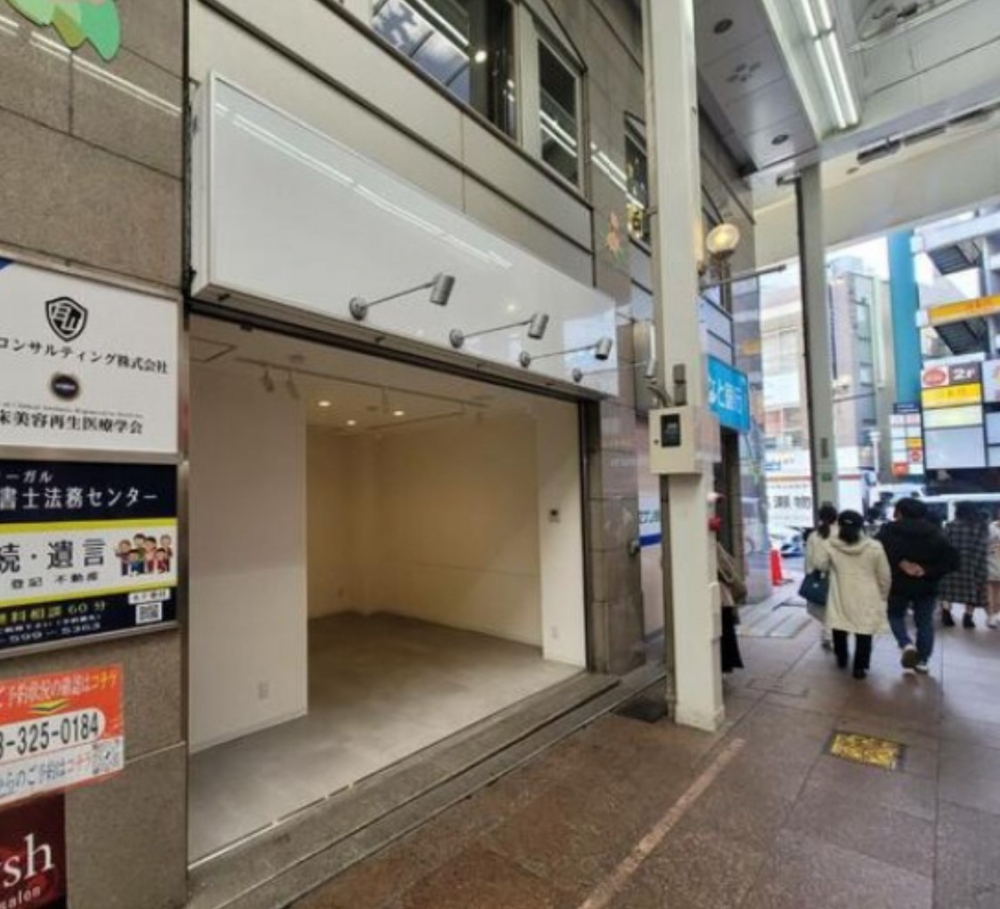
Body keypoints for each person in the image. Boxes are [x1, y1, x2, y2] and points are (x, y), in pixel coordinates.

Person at [877, 497, 959, 674]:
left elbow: (876, 554)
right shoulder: (935, 533)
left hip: (897, 584)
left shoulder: (888, 531)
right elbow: (952, 561)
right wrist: (926, 570)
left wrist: (900, 562)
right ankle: (922, 660)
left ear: (899, 512)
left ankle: (906, 644)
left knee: (895, 615)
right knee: (924, 622)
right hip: (926, 585)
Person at [810, 510, 891, 679]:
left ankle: (842, 658)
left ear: (839, 525)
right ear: (861, 526)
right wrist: (883, 594)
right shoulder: (874, 546)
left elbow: (819, 564)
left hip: (840, 591)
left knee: (840, 625)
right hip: (868, 594)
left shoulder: (830, 544)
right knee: (864, 630)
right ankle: (860, 667)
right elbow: (884, 576)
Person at [939, 502, 988, 629]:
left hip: (951, 564)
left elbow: (943, 545)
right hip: (972, 564)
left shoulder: (950, 526)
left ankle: (946, 614)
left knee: (947, 590)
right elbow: (982, 547)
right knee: (973, 591)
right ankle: (968, 618)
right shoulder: (980, 527)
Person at [804, 503, 839, 650]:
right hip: (839, 576)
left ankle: (828, 634)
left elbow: (809, 558)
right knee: (835, 608)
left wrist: (809, 575)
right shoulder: (840, 533)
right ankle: (830, 633)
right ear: (836, 517)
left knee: (816, 607)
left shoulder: (814, 535)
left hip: (819, 576)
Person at [716, 537, 746, 674]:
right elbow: (728, 569)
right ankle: (724, 667)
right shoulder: (713, 546)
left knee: (721, 633)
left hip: (717, 598)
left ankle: (722, 667)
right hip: (721, 598)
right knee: (725, 633)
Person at [988, 511, 1000, 630]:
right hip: (992, 562)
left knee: (997, 592)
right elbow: (986, 544)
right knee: (992, 591)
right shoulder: (991, 527)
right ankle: (992, 616)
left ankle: (996, 616)